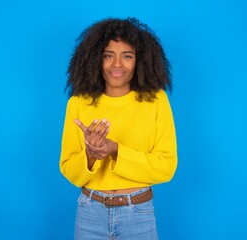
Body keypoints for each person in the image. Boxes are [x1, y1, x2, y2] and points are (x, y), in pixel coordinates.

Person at [59, 17, 177, 240]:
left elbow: (166, 167)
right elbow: (70, 171)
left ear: (139, 61)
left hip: (138, 214)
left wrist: (115, 150)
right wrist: (90, 156)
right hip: (89, 212)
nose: (117, 64)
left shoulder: (156, 101)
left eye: (127, 56)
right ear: (95, 59)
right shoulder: (78, 103)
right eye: (108, 55)